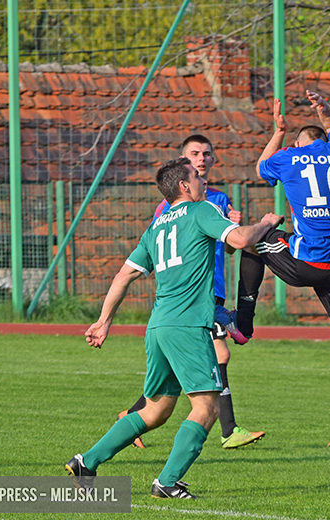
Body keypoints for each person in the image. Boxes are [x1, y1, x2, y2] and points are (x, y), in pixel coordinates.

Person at [65, 158, 283, 499]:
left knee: (156, 409)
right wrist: (265, 223)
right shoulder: (202, 210)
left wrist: (104, 320)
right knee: (207, 407)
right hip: (187, 325)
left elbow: (124, 275)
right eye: (196, 176)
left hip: (158, 326)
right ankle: (166, 483)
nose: (202, 180)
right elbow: (240, 239)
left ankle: (86, 461)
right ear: (184, 185)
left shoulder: (155, 228)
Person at [231, 90, 330, 461]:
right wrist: (326, 108)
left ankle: (244, 323)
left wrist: (277, 134)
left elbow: (261, 167)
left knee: (252, 238)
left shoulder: (290, 158)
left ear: (298, 143)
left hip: (308, 263)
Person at [119, 135, 265, 451]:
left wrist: (232, 228)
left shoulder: (218, 200)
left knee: (173, 377)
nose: (201, 160)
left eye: (206, 154)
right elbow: (168, 245)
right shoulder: (173, 206)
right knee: (220, 355)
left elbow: (228, 246)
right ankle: (227, 430)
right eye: (194, 155)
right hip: (190, 295)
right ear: (184, 163)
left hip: (213, 288)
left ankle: (130, 419)